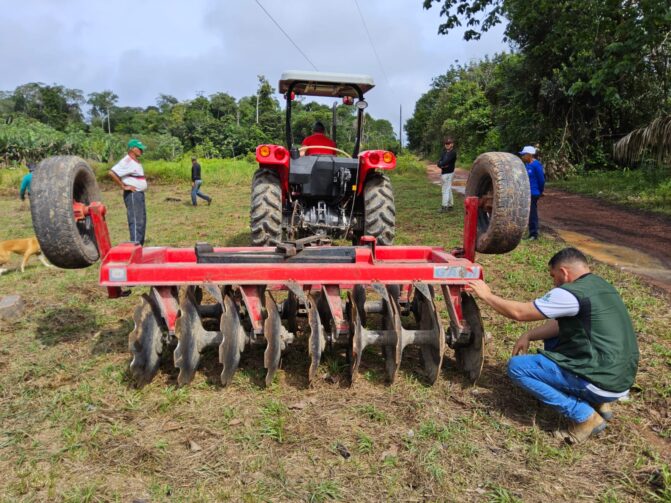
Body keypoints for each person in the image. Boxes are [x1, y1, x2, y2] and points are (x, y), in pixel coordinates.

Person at [467, 247, 639, 443]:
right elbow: (559, 324)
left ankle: (584, 415)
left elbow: (520, 313)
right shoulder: (601, 285)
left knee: (518, 368)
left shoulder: (571, 294)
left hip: (603, 378)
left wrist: (487, 295)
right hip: (620, 376)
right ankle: (599, 402)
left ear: (564, 272)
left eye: (553, 275)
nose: (553, 282)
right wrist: (529, 335)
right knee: (554, 338)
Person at [109, 139, 148, 245]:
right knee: (136, 221)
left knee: (142, 221)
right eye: (139, 149)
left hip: (139, 194)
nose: (141, 151)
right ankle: (135, 246)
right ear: (132, 148)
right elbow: (112, 173)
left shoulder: (136, 161)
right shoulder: (126, 161)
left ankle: (140, 245)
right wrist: (123, 186)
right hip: (133, 195)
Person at [519, 145, 545, 240]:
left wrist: (540, 191)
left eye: (524, 155)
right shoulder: (526, 165)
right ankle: (530, 232)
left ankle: (534, 234)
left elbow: (541, 180)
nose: (522, 156)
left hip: (534, 193)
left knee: (532, 213)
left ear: (529, 155)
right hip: (527, 192)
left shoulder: (536, 165)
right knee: (528, 212)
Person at [437, 137, 457, 212]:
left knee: (445, 189)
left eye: (448, 143)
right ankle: (450, 205)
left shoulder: (453, 153)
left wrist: (442, 164)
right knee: (448, 189)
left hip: (449, 173)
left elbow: (445, 162)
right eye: (446, 144)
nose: (447, 145)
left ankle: (444, 206)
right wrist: (441, 164)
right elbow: (439, 163)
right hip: (444, 173)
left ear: (452, 144)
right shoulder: (444, 152)